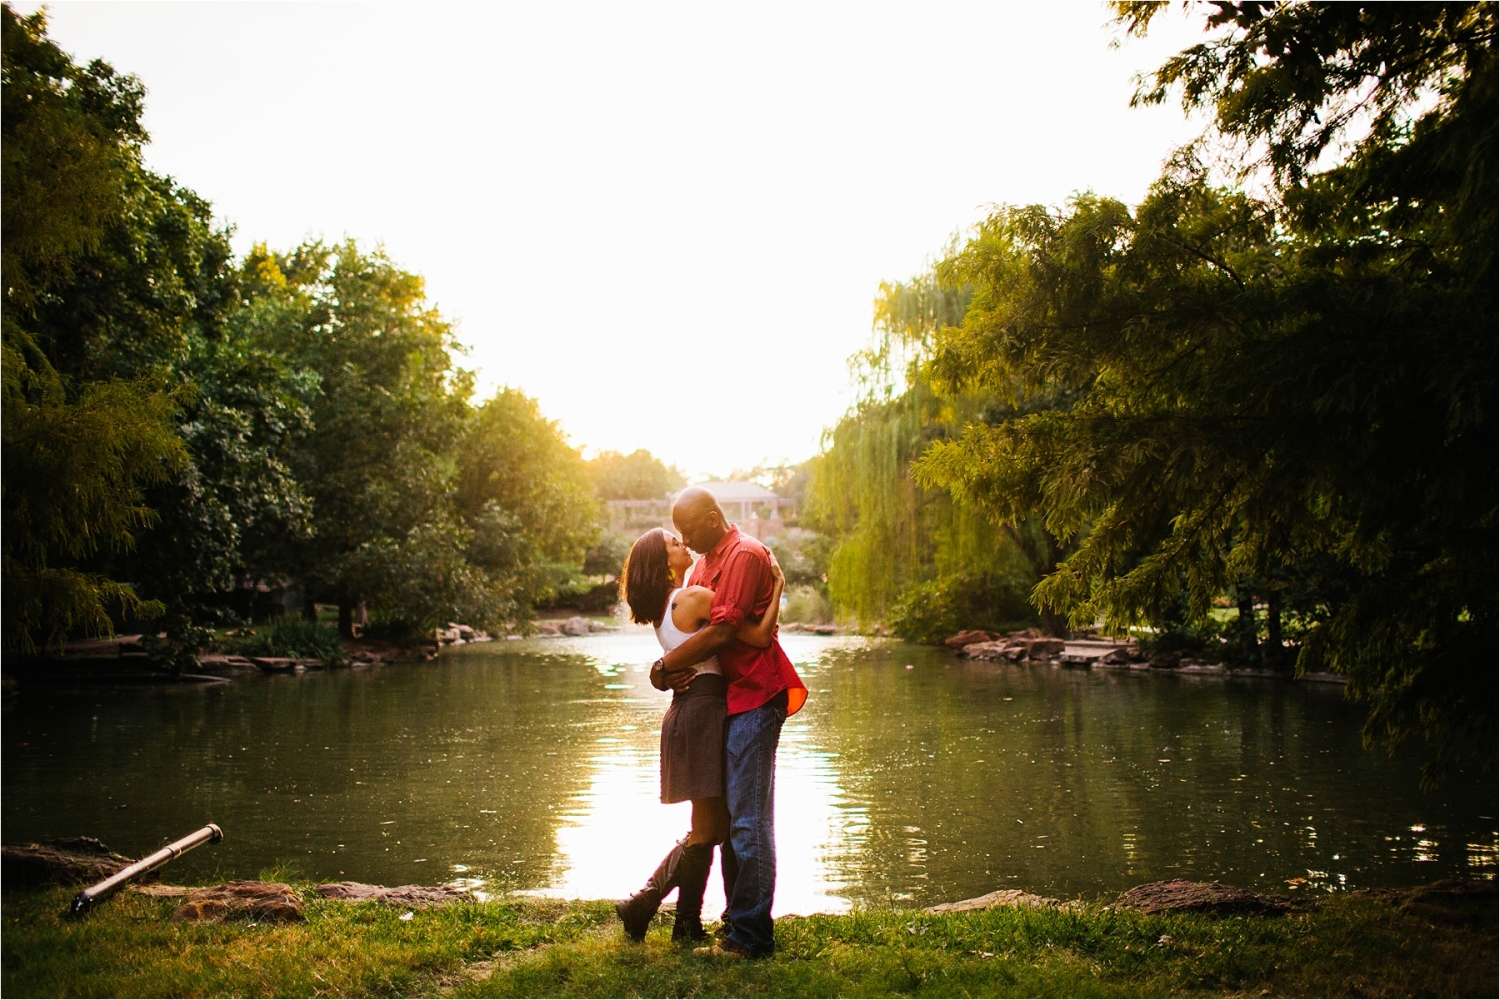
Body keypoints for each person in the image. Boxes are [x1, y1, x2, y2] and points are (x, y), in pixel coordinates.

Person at [651, 487, 807, 958]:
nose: (685, 539)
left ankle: (752, 936)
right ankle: (736, 923)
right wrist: (670, 671)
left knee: (748, 822)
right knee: (730, 823)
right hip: (726, 702)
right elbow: (698, 629)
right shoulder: (700, 567)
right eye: (678, 533)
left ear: (715, 518)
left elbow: (722, 631)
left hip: (756, 695)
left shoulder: (744, 554)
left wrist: (663, 666)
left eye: (690, 530)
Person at [614, 526, 786, 943]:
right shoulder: (692, 598)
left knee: (710, 825)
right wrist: (777, 585)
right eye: (674, 544)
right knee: (708, 830)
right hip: (703, 714)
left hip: (689, 715)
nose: (683, 545)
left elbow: (671, 663)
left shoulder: (666, 606)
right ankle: (643, 903)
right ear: (663, 564)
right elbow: (758, 635)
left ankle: (686, 924)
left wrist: (661, 672)